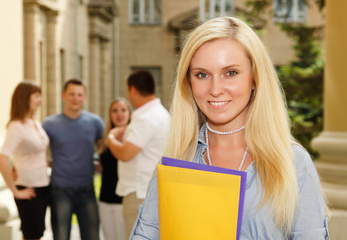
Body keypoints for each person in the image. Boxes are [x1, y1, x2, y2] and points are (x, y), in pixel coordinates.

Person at [130, 16, 330, 239]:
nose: (215, 89)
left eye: (231, 73)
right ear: (188, 82)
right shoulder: (176, 161)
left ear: (254, 78)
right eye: (202, 75)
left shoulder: (292, 163)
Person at [107, 70, 170, 239]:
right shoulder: (160, 113)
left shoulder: (145, 118)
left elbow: (126, 153)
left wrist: (111, 137)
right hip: (152, 190)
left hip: (139, 193)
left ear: (132, 90)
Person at [43, 79, 104, 240]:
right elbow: (36, 149)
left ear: (84, 97)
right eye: (71, 94)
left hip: (87, 189)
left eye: (79, 94)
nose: (75, 98)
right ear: (64, 95)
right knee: (61, 236)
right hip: (60, 190)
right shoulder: (49, 124)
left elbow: (103, 150)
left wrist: (101, 166)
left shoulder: (95, 122)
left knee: (92, 236)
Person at [0, 80, 49, 240]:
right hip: (28, 189)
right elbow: (2, 159)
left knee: (37, 233)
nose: (40, 100)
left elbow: (32, 153)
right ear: (25, 98)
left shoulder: (34, 122)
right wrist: (15, 191)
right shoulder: (16, 126)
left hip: (42, 186)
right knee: (32, 235)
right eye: (36, 96)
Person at [97, 97, 131, 240]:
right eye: (114, 111)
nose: (119, 114)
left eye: (123, 110)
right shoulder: (106, 138)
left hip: (123, 200)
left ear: (129, 113)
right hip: (105, 199)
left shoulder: (133, 138)